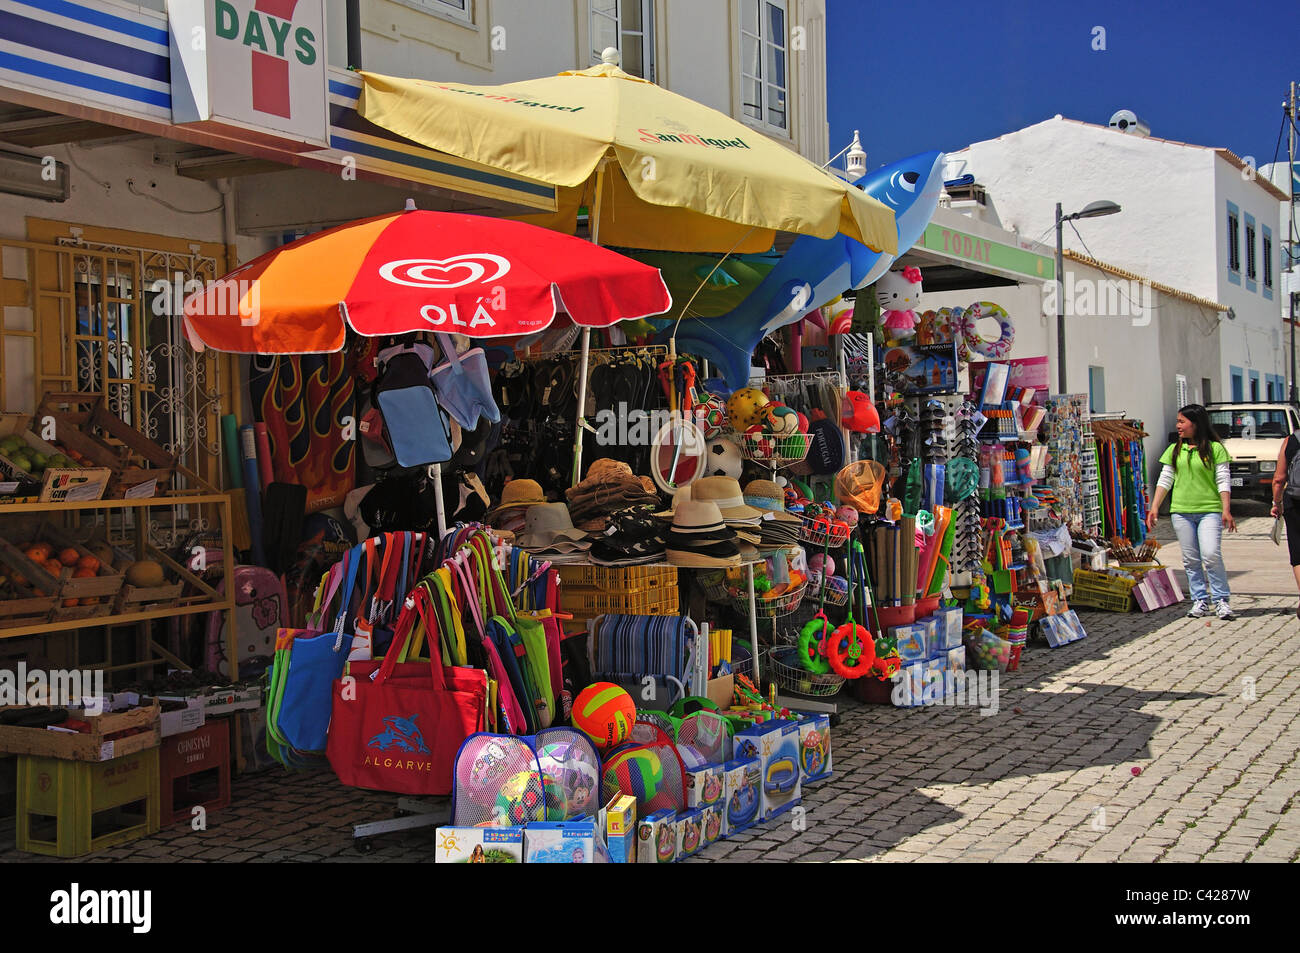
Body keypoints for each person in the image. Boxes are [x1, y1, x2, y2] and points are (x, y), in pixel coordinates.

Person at [1145, 404, 1237, 619]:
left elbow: (1223, 480)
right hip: (1181, 511)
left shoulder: (1216, 449)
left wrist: (1226, 509)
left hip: (1210, 511)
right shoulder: (1175, 450)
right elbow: (1165, 479)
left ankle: (1221, 599)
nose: (1178, 426)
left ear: (1195, 424)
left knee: (1211, 554)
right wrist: (1155, 506)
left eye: (1181, 422)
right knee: (1190, 559)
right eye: (1178, 421)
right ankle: (1199, 601)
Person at [1270, 427, 1300, 618]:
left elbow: (1279, 479)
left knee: (1298, 553)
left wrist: (1277, 503)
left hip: (1296, 502)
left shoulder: (1292, 440)